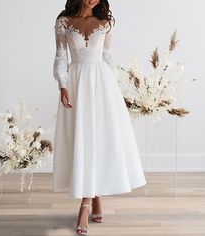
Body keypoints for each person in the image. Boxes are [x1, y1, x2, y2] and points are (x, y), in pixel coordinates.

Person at [52, 0, 146, 234]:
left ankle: (87, 203)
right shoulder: (63, 22)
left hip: (102, 86)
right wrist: (63, 86)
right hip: (76, 84)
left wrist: (114, 89)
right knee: (83, 140)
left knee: (98, 140)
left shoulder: (105, 23)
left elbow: (108, 57)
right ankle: (94, 198)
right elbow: (61, 57)